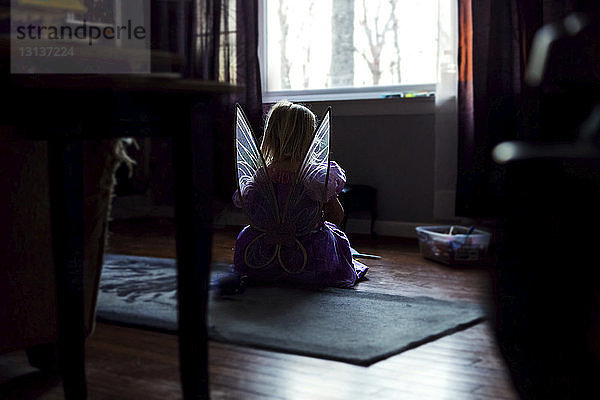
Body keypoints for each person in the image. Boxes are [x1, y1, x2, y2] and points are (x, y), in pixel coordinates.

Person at [232, 100, 368, 288]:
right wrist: (315, 224)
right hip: (307, 256)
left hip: (264, 253)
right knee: (335, 236)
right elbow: (336, 214)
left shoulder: (262, 175)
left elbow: (253, 210)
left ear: (270, 135)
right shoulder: (315, 176)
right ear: (310, 138)